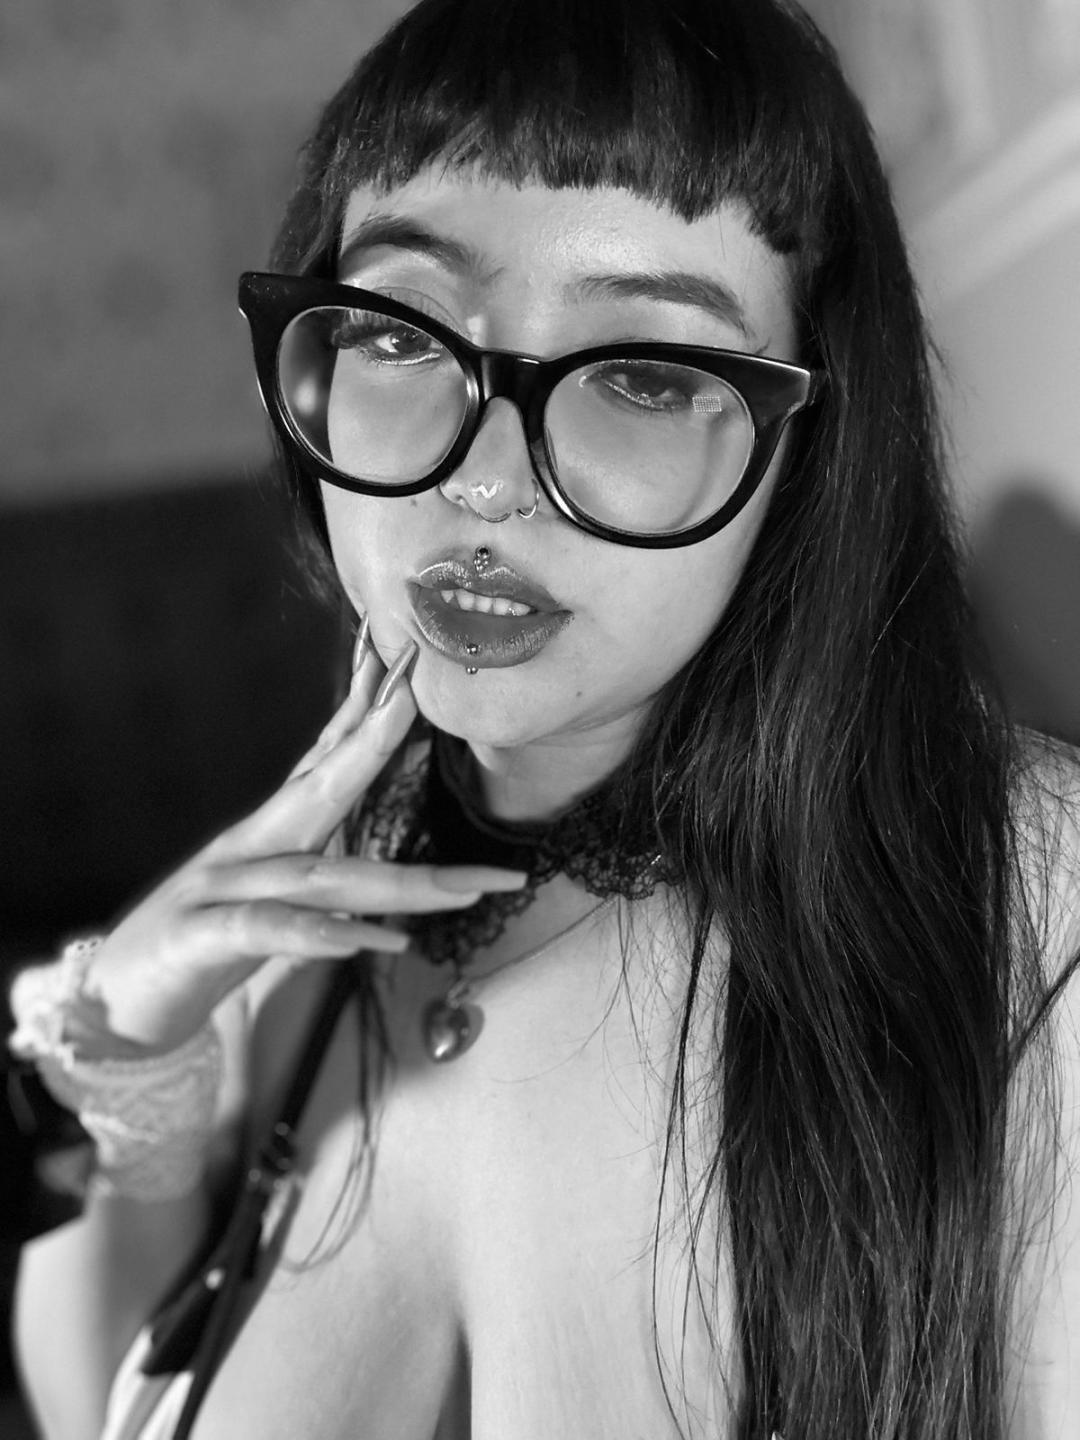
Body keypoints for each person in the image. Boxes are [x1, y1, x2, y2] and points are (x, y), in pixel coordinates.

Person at [9, 0, 1080, 1436]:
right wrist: (130, 1058)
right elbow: (106, 1405)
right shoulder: (297, 938)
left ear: (809, 449)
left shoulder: (1026, 917)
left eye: (646, 374)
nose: (486, 479)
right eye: (397, 333)